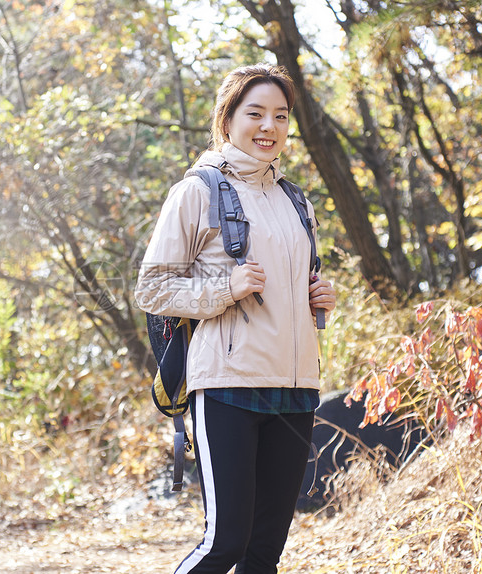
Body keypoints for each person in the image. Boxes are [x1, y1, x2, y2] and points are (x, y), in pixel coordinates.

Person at [134, 64, 337, 574]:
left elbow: (296, 284)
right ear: (228, 119)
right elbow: (152, 288)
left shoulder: (296, 200)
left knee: (263, 553)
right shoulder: (197, 191)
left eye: (280, 116)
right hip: (227, 385)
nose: (269, 127)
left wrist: (319, 297)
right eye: (256, 114)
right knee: (224, 544)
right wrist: (226, 287)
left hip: (295, 388)